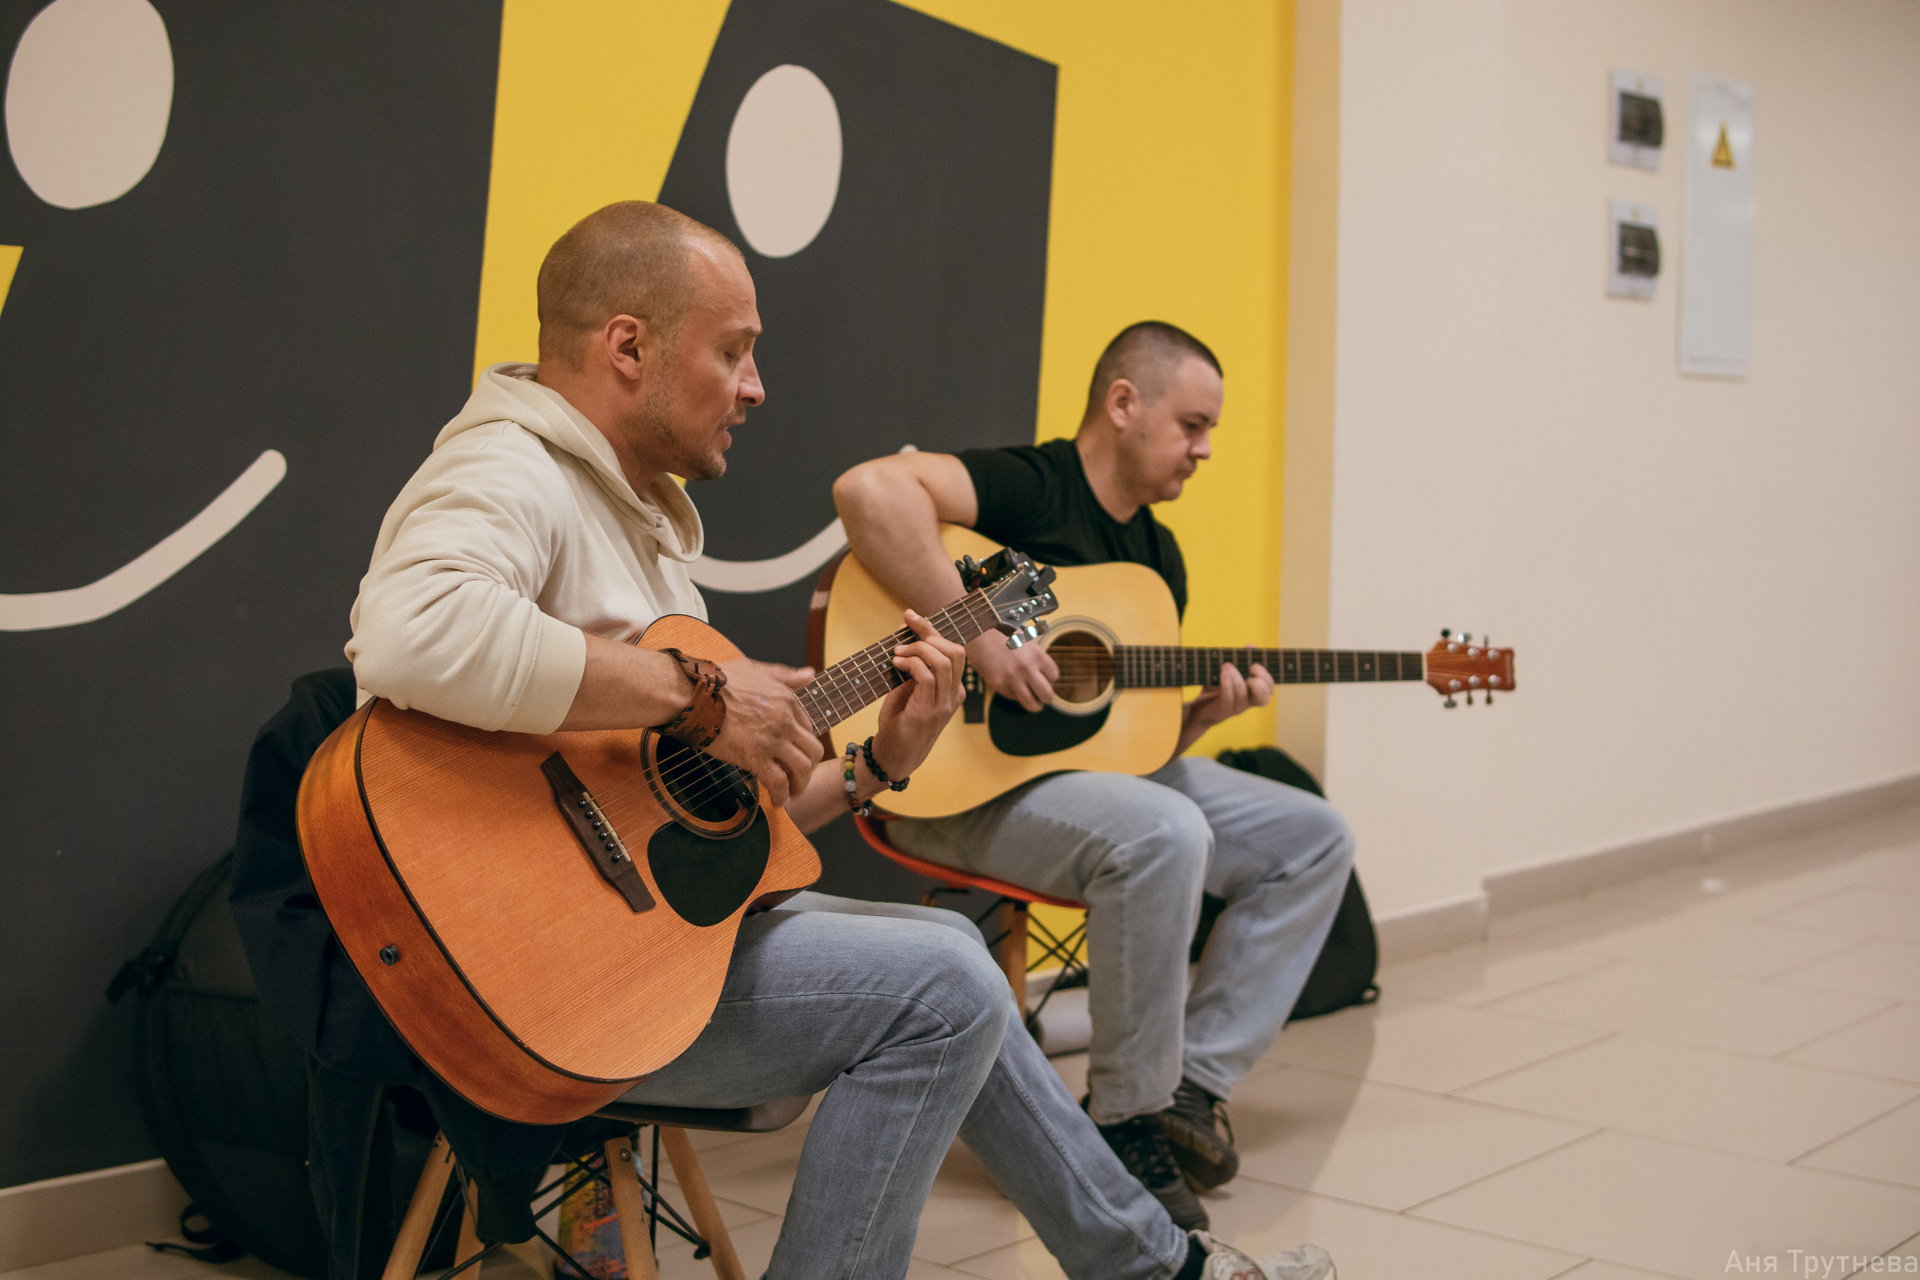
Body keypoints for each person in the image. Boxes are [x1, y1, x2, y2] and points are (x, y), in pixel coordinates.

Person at [344, 203, 1334, 1280]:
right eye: (734, 351)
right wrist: (699, 693)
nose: (756, 387)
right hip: (533, 981)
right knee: (945, 984)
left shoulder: (638, 525)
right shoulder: (510, 469)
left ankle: (1159, 1269)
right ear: (628, 347)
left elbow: (730, 837)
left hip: (645, 940)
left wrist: (882, 760)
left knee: (955, 971)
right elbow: (409, 631)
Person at [832, 321, 1357, 1230]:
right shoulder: (1035, 487)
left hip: (1071, 790)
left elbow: (1126, 749)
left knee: (1313, 836)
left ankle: (1189, 1087)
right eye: (1192, 424)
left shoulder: (1158, 561)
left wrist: (1199, 718)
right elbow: (867, 490)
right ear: (1123, 404)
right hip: (948, 781)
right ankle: (1125, 1119)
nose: (1204, 450)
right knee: (1165, 831)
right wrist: (982, 639)